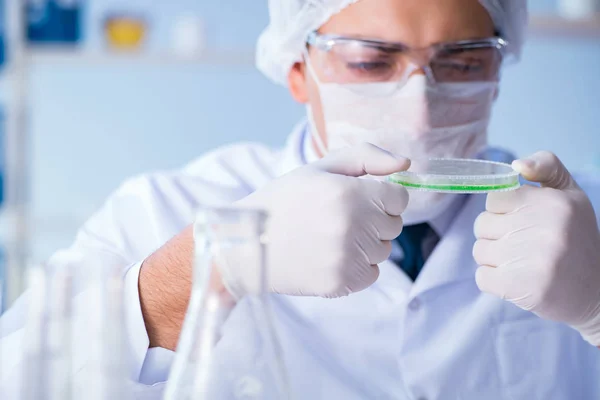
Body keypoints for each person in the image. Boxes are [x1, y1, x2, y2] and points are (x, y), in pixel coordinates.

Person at [2, 0, 600, 398]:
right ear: (297, 70)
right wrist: (205, 267)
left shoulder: (582, 221)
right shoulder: (166, 206)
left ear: (499, 71)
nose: (421, 104)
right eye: (371, 61)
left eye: (464, 62)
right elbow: (18, 373)